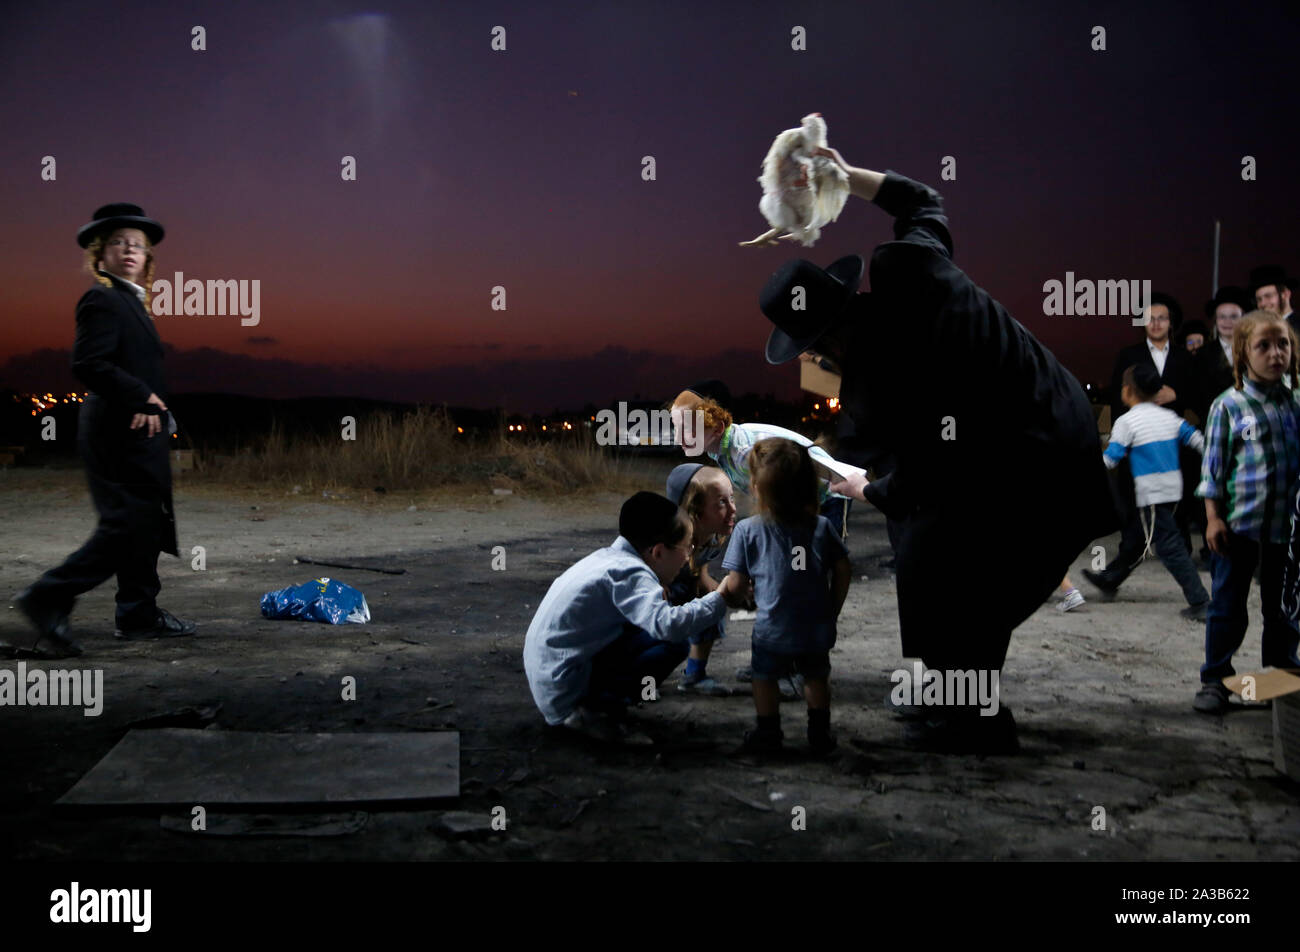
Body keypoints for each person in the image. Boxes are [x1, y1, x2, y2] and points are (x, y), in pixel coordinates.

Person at [756, 151, 1117, 753]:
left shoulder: (877, 384)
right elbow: (923, 201)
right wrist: (842, 177)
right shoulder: (909, 266)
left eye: (815, 351)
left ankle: (977, 720)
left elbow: (925, 472)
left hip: (1041, 462)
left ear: (828, 339)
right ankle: (941, 691)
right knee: (925, 547)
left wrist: (864, 489)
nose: (817, 363)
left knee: (970, 578)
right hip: (1046, 422)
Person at [15, 204, 196, 657]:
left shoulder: (133, 302)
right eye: (118, 241)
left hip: (139, 430)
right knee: (128, 524)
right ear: (100, 254)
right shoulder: (102, 298)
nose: (130, 249)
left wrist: (152, 407)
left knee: (148, 521)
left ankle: (138, 614)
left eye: (137, 244)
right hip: (114, 428)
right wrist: (141, 397)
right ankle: (47, 596)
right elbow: (88, 363)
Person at [522, 491, 745, 743]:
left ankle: (596, 702)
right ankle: (593, 713)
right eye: (686, 547)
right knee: (672, 644)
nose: (688, 556)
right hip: (564, 689)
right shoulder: (630, 573)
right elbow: (668, 626)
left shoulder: (609, 559)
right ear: (658, 552)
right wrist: (722, 597)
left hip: (553, 673)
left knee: (648, 626)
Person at [1194, 310, 1300, 714]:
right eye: (1264, 346)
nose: (1276, 354)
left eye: (1283, 344)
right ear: (1242, 354)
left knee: (1284, 610)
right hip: (1239, 528)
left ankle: (1280, 681)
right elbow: (1213, 470)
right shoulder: (1228, 406)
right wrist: (1213, 518)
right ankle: (1216, 680)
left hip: (1287, 533)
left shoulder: (1295, 402)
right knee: (1227, 607)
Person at [720, 439, 851, 754]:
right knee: (816, 676)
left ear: (756, 487)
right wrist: (832, 608)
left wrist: (733, 597)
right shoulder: (821, 527)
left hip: (771, 628)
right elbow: (843, 568)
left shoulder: (748, 531)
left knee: (764, 676)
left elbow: (736, 583)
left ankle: (769, 733)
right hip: (816, 626)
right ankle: (819, 734)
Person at [1093, 365, 1209, 619]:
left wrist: (1086, 466)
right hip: (1172, 490)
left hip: (1151, 493)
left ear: (1126, 391)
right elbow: (1198, 440)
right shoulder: (1170, 418)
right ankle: (1109, 579)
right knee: (1138, 537)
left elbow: (1111, 459)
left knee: (1169, 547)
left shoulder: (1127, 421)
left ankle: (1200, 600)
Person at [664, 463, 736, 696]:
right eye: (722, 503)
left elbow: (701, 574)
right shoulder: (672, 541)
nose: (733, 509)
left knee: (711, 604)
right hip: (660, 596)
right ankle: (637, 680)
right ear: (696, 511)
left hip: (684, 587)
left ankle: (693, 676)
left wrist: (726, 594)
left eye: (731, 498)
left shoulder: (709, 536)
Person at [1250, 265, 1296, 335]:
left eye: (1268, 296)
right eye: (1259, 299)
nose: (1263, 304)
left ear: (1286, 294)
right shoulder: (1256, 330)